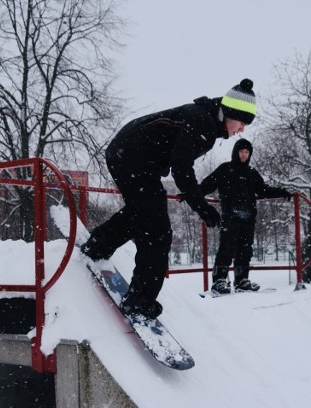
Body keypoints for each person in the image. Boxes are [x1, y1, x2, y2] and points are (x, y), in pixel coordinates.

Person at [80, 79, 259, 319]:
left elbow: (180, 164)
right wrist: (202, 207)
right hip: (133, 157)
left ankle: (96, 248)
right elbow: (181, 167)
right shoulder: (203, 123)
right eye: (242, 122)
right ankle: (139, 303)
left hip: (131, 155)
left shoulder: (206, 120)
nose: (242, 129)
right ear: (231, 113)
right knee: (158, 232)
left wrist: (197, 198)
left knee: (142, 214)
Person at [199, 138, 292, 295]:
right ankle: (219, 281)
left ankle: (242, 280)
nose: (244, 155)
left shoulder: (251, 173)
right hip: (230, 217)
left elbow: (263, 190)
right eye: (241, 151)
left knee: (245, 250)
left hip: (248, 218)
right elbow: (207, 185)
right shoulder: (225, 169)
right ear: (236, 152)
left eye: (247, 152)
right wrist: (191, 193)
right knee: (226, 249)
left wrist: (281, 192)